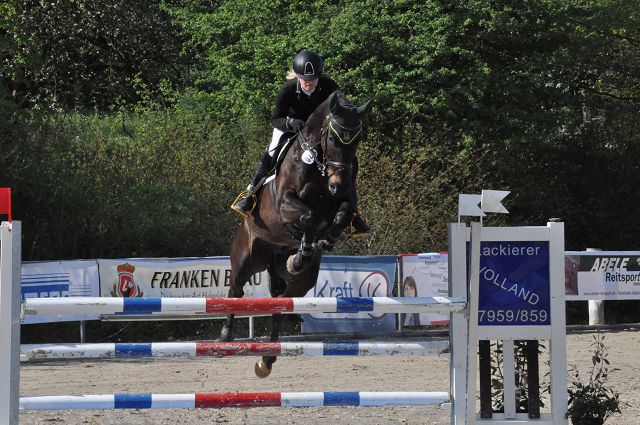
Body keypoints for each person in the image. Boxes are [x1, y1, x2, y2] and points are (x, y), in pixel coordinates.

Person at [230, 50, 369, 235]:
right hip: (290, 127)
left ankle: (353, 211)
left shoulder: (330, 86)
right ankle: (250, 193)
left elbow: (343, 107)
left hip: (318, 132)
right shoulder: (287, 90)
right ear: (297, 76)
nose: (308, 82)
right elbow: (275, 119)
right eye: (304, 79)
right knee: (272, 150)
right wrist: (291, 123)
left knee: (347, 160)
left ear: (319, 76)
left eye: (312, 79)